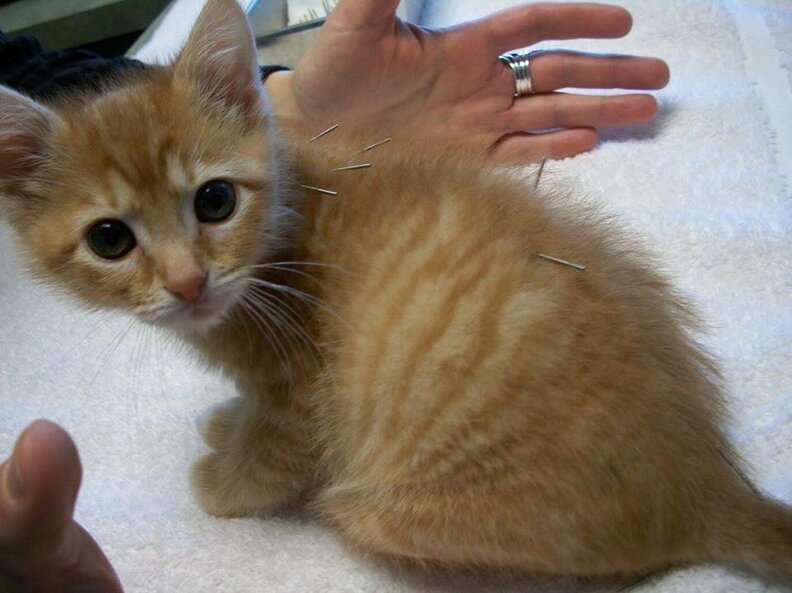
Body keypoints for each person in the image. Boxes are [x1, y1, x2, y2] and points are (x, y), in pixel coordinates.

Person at [0, 1, 669, 590]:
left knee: (376, 515)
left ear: (243, 103)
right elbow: (290, 374)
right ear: (20, 194)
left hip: (552, 473)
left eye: (212, 199)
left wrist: (241, 480)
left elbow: (301, 405)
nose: (185, 277)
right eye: (112, 239)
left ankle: (616, 533)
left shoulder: (301, 237)